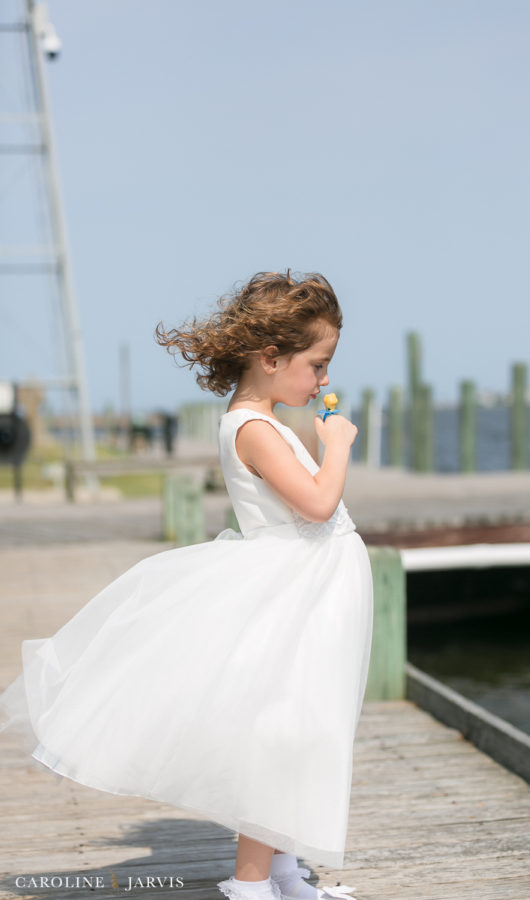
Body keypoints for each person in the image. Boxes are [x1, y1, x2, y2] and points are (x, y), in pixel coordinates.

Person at [0, 270, 374, 900]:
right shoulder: (253, 427)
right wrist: (336, 444)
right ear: (271, 357)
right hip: (292, 594)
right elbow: (316, 503)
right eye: (318, 364)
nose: (325, 381)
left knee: (302, 729)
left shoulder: (264, 421)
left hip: (311, 592)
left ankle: (282, 869)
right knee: (281, 734)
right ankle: (251, 883)